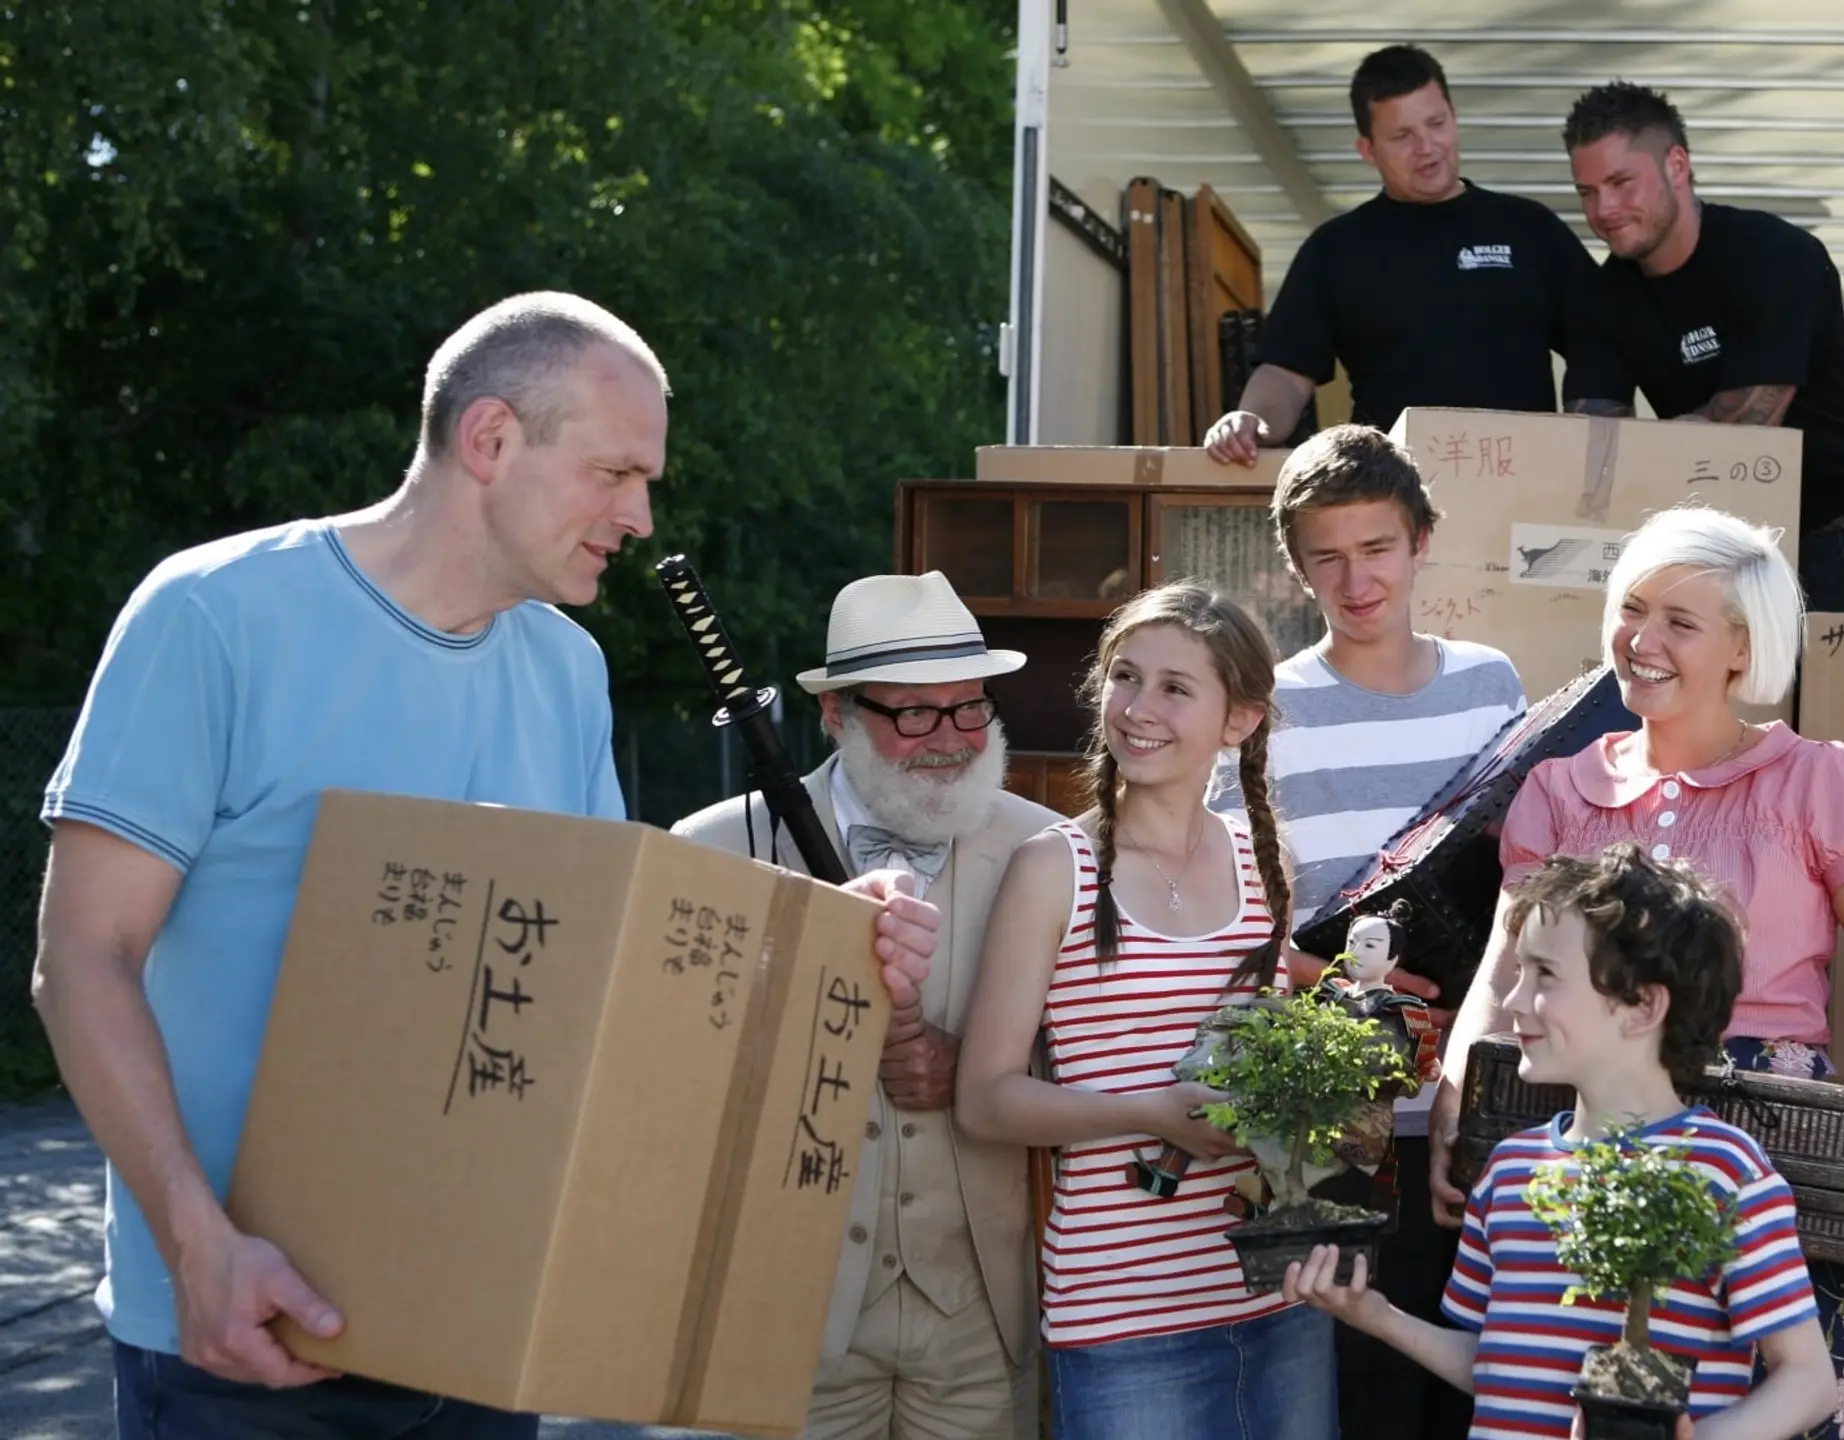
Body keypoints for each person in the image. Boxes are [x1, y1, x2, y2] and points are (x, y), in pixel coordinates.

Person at [29, 292, 942, 1440]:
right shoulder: (213, 615)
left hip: (476, 1339)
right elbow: (82, 959)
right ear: (491, 440)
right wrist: (193, 1245)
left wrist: (824, 940)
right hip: (240, 1341)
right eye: (616, 473)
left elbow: (602, 983)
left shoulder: (566, 667)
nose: (642, 516)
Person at [1427, 504, 1844, 1439]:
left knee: (1798, 1399)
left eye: (1680, 623)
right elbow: (1504, 969)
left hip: (1785, 1146)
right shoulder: (1559, 787)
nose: (1642, 641)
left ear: (1743, 647)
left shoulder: (1817, 781)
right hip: (1594, 1130)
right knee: (1590, 1389)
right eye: (1633, 608)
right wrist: (1461, 1089)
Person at [671, 570, 1061, 1440]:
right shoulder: (715, 852)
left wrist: (980, 1070)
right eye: (913, 713)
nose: (951, 738)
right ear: (837, 716)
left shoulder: (1048, 849)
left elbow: (1100, 1052)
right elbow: (666, 1078)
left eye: (969, 708)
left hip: (980, 1314)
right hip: (780, 1311)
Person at [1284, 844, 1837, 1440]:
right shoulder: (1510, 1171)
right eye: (1519, 972)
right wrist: (1376, 1316)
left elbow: (1807, 1378)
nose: (1515, 1000)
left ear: (1642, 1005)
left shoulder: (1724, 1169)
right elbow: (1499, 1365)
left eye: (1544, 974)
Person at [953, 583, 1333, 1440]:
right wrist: (1149, 1113)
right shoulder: (1055, 868)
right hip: (1121, 1320)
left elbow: (1268, 1070)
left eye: (1174, 687)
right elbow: (984, 1098)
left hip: (1279, 1292)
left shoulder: (1261, 859)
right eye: (1125, 677)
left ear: (1239, 720)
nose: (1138, 709)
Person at [1207, 424, 1523, 1440]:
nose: (1356, 579)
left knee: (1480, 1379)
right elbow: (1231, 904)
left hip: (1473, 1103)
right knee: (1351, 1394)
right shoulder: (1267, 709)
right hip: (1327, 1111)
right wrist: (1327, 980)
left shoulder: (1490, 685)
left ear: (1421, 540)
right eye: (1327, 557)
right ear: (1296, 566)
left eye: (1377, 548)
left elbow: (1525, 874)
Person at [1559, 82, 1844, 614]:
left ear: (1676, 165)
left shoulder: (1774, 254)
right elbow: (1597, 440)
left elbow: (1746, 428)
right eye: (1587, 191)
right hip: (1722, 539)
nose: (1604, 208)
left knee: (1833, 699)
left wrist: (1644, 450)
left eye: (1621, 182)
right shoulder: (1602, 297)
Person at [1205, 48, 1617, 462]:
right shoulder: (1336, 250)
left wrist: (1588, 440)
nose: (1426, 147)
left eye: (1436, 124)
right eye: (1402, 136)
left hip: (1524, 480)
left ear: (1454, 116)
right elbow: (1285, 372)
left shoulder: (1528, 227)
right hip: (1391, 494)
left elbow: (1600, 337)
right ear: (1367, 149)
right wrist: (1249, 420)